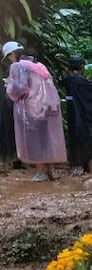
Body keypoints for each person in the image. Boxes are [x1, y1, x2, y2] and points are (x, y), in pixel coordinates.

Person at [4, 44, 66, 181]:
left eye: (9, 57)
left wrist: (8, 86)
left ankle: (41, 171)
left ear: (13, 54)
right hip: (49, 107)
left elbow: (19, 88)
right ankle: (51, 170)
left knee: (35, 140)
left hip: (32, 107)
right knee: (46, 139)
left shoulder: (18, 66)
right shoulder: (40, 66)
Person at [62, 56, 92, 174]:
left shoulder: (67, 80)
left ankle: (77, 165)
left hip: (71, 114)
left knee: (74, 138)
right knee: (85, 139)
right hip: (81, 115)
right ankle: (87, 166)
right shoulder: (80, 81)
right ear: (81, 67)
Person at [0, 42, 22, 168]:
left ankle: (16, 158)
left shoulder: (15, 67)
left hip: (12, 103)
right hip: (13, 103)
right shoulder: (29, 66)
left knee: (12, 129)